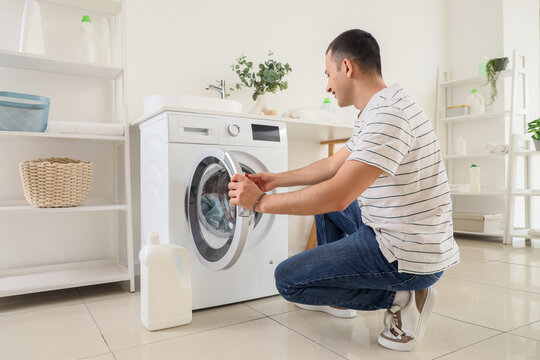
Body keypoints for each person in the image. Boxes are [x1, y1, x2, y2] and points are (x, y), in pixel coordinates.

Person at [228, 29, 460, 351]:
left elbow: (339, 195)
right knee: (325, 202)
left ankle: (402, 296)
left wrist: (261, 203)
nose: (327, 85)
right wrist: (276, 179)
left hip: (406, 254)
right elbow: (332, 167)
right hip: (401, 232)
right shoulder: (381, 107)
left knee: (289, 280)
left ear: (347, 68)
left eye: (328, 74)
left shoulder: (388, 117)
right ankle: (341, 300)